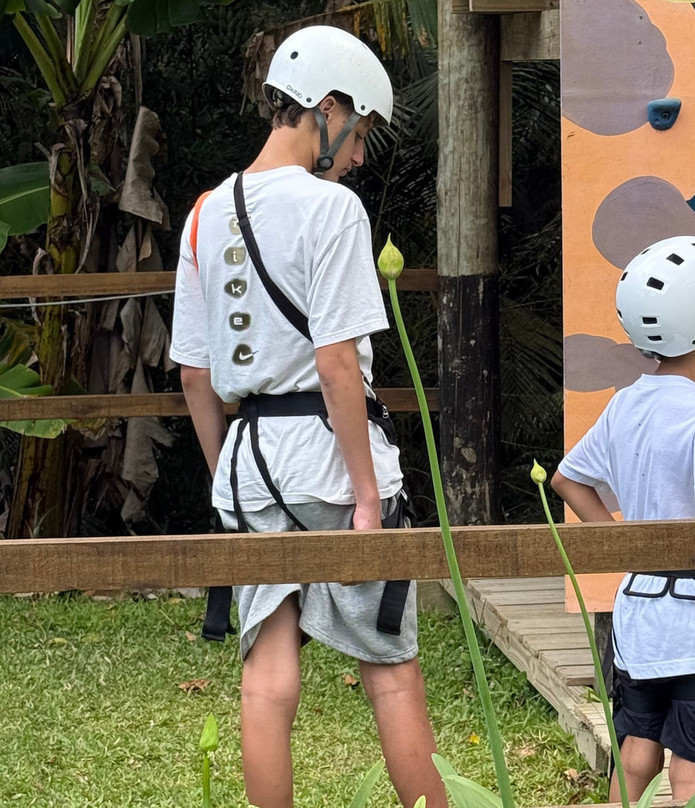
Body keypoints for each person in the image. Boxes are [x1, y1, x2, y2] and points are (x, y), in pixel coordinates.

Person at [169, 26, 446, 808]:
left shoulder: (204, 214)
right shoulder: (333, 210)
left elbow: (195, 374)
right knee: (390, 671)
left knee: (266, 673)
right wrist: (367, 496)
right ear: (326, 108)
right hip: (330, 457)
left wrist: (226, 477)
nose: (357, 155)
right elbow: (335, 366)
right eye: (358, 133)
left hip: (249, 461)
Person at [552, 236, 695, 801]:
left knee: (637, 748)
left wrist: (626, 550)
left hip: (640, 611)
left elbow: (567, 479)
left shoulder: (625, 402)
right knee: (692, 766)